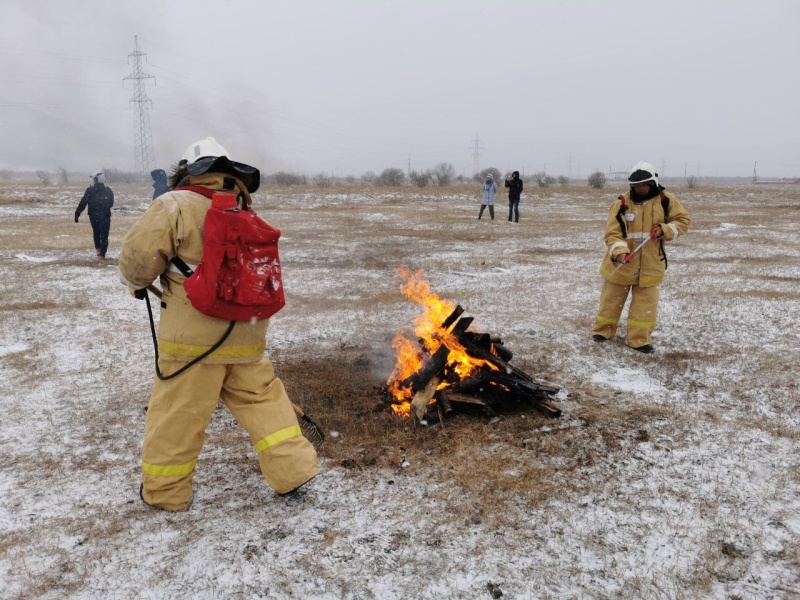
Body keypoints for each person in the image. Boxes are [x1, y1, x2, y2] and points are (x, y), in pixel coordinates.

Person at [118, 136, 319, 511]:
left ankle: (165, 494)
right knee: (263, 400)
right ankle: (294, 470)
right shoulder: (243, 208)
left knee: (178, 415)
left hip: (191, 345)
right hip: (248, 333)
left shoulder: (173, 205)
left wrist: (135, 284)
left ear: (187, 171)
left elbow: (138, 262)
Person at [591, 161, 690, 353]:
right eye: (636, 186)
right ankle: (602, 331)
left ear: (653, 182)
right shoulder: (621, 203)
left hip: (650, 265)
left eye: (644, 185)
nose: (640, 189)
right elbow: (612, 234)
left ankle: (639, 340)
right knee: (610, 302)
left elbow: (683, 221)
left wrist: (664, 229)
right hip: (621, 265)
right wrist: (620, 253)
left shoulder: (666, 201)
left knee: (645, 307)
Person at [75, 172, 114, 260]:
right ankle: (102, 255)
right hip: (105, 215)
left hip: (93, 215)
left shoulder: (89, 190)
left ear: (95, 180)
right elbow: (111, 204)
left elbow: (83, 203)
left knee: (96, 232)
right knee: (104, 235)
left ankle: (98, 249)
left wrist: (77, 213)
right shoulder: (108, 190)